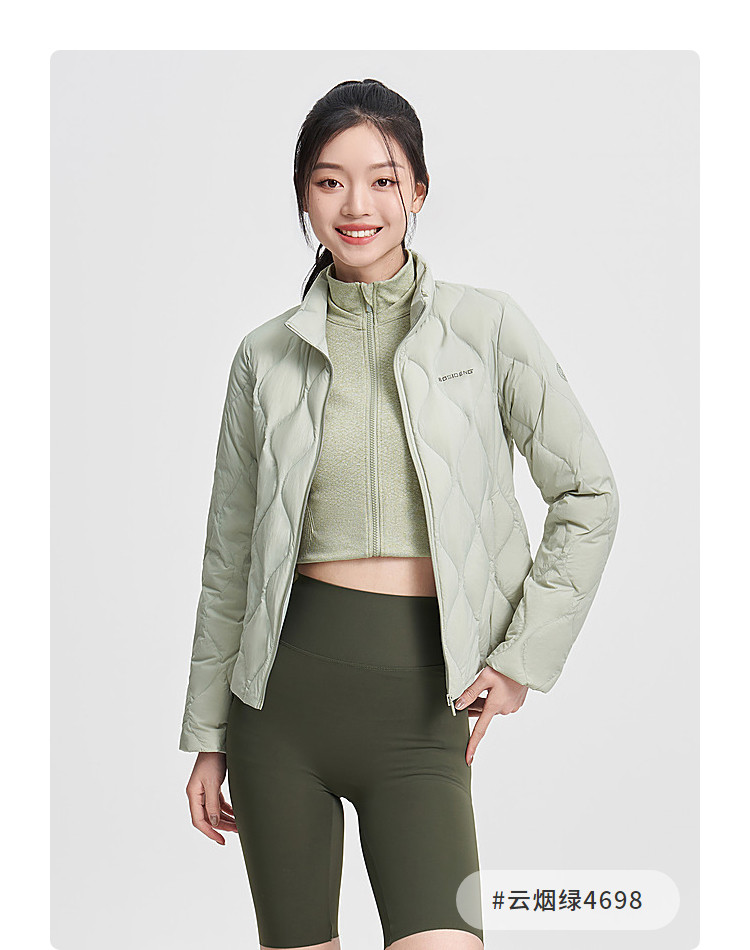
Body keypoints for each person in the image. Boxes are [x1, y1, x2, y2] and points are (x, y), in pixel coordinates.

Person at [180, 78, 619, 950]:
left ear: (418, 190)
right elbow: (230, 559)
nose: (357, 205)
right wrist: (207, 735)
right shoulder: (264, 356)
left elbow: (589, 494)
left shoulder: (486, 327)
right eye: (329, 181)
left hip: (422, 717)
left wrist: (522, 658)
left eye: (383, 180)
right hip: (279, 714)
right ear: (304, 195)